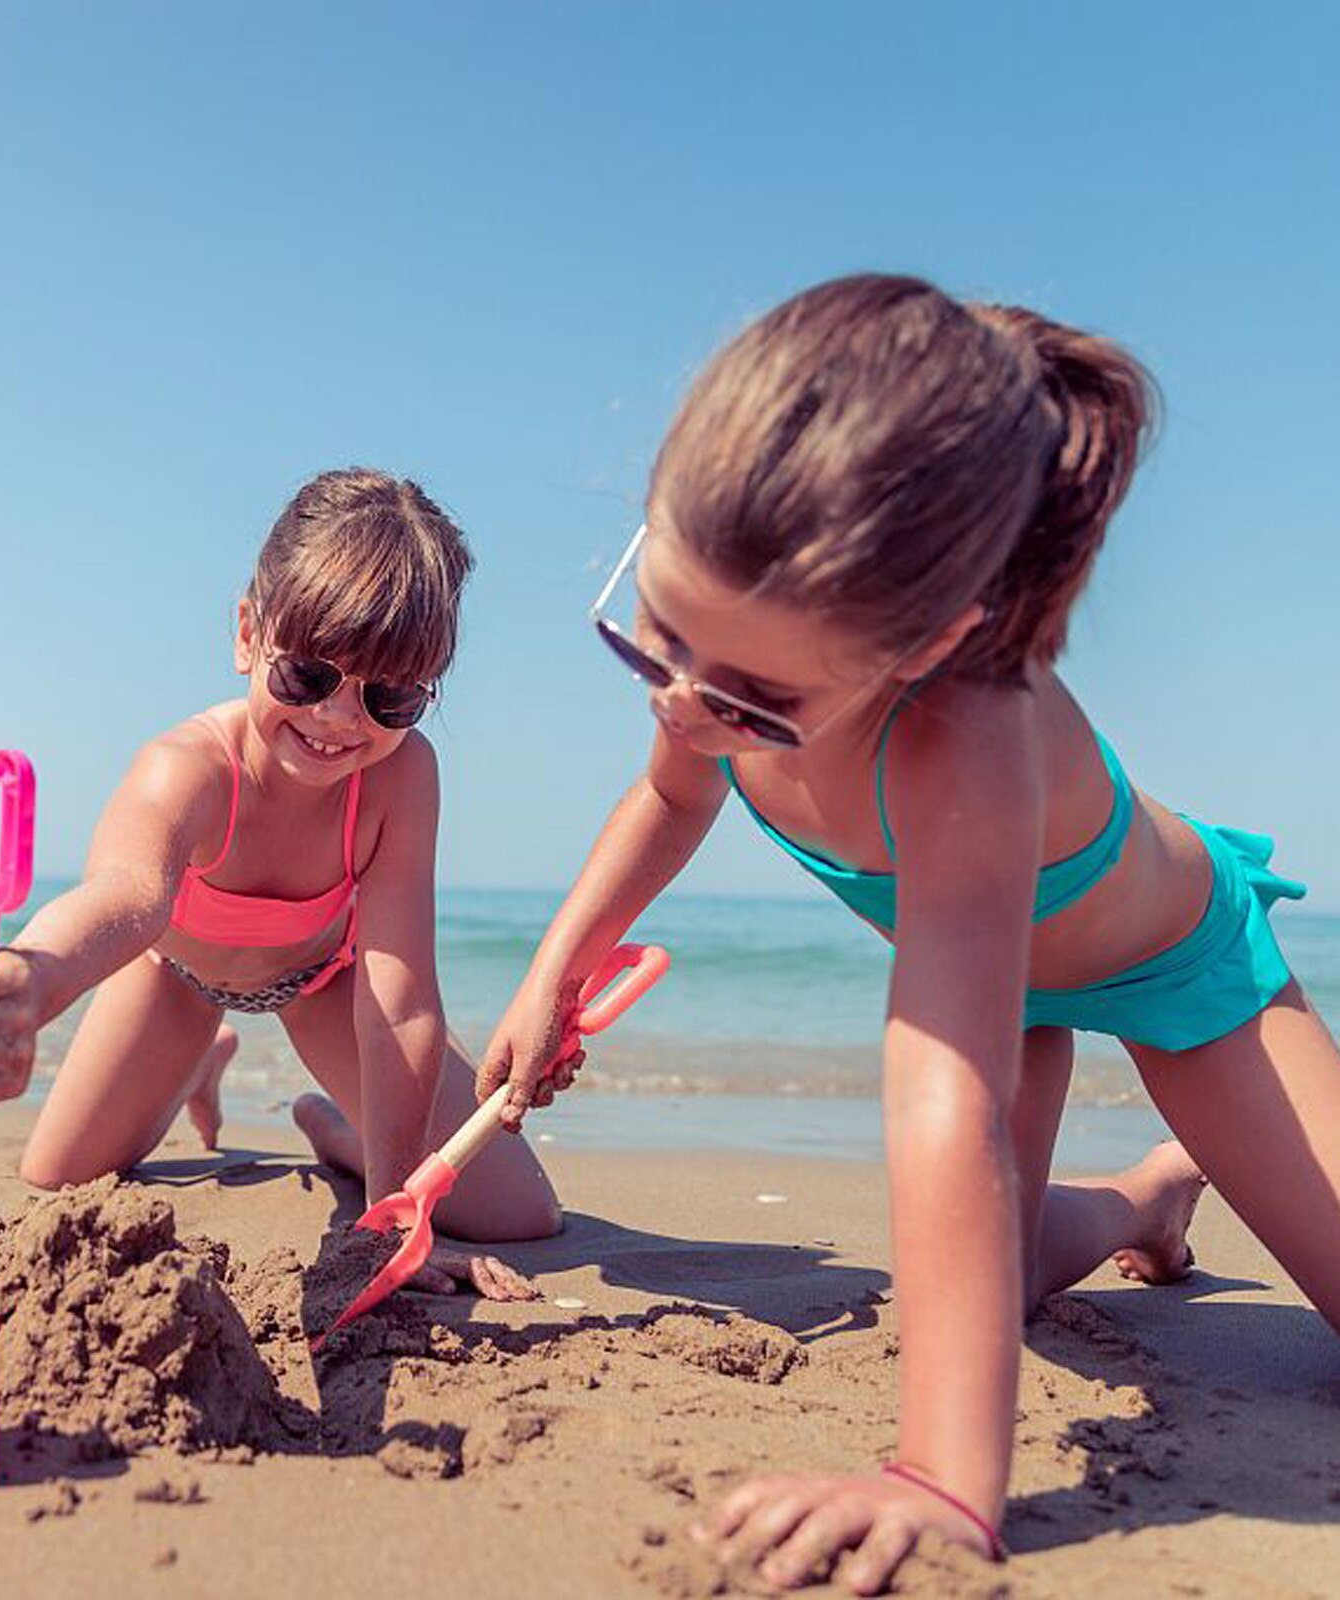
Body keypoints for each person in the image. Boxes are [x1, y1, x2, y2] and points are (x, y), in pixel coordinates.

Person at [476, 275, 1340, 1591]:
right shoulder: (720, 654)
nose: (690, 704)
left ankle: (1186, 1162)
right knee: (991, 1294)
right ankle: (1150, 1193)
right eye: (649, 637)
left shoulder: (970, 743)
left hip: (1176, 963)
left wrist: (944, 1478)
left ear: (929, 644)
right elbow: (666, 798)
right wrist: (556, 969)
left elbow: (950, 1096)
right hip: (1006, 980)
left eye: (757, 700)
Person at [0, 467, 560, 1298]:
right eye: (308, 675)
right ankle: (202, 1058)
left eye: (389, 697)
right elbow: (124, 898)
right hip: (176, 976)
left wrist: (391, 1210)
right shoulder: (185, 770)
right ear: (248, 634)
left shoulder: (403, 777)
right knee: (58, 1173)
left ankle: (332, 1129)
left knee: (519, 1211)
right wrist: (31, 980)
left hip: (323, 985)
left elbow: (401, 997)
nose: (340, 720)